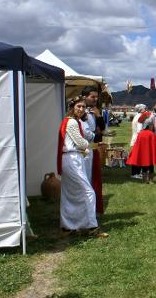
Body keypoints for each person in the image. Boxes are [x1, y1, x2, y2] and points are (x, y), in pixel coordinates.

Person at [57, 96, 108, 238]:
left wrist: (86, 149)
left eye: (83, 107)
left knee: (70, 193)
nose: (81, 109)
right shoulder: (72, 122)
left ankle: (69, 226)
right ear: (72, 107)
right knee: (88, 192)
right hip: (72, 159)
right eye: (78, 106)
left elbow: (78, 144)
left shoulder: (72, 121)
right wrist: (96, 146)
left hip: (72, 157)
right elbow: (80, 142)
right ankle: (91, 226)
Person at [81, 86, 105, 214]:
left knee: (92, 179)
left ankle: (90, 208)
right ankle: (85, 208)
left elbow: (102, 129)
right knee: (85, 179)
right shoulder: (80, 111)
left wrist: (99, 115)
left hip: (93, 150)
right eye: (92, 97)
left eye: (96, 97)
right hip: (84, 151)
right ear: (85, 97)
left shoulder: (94, 111)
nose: (95, 99)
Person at [126, 112, 156, 183]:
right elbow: (154, 145)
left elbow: (138, 145)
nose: (152, 126)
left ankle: (144, 180)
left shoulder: (140, 133)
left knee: (144, 167)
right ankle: (150, 180)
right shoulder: (152, 134)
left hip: (143, 155)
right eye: (151, 125)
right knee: (151, 167)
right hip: (149, 154)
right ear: (149, 125)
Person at [130, 104, 147, 179]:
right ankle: (135, 173)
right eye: (145, 109)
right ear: (141, 109)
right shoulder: (141, 117)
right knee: (138, 157)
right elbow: (140, 130)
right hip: (139, 139)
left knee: (136, 157)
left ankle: (137, 173)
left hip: (135, 138)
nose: (146, 110)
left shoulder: (136, 116)